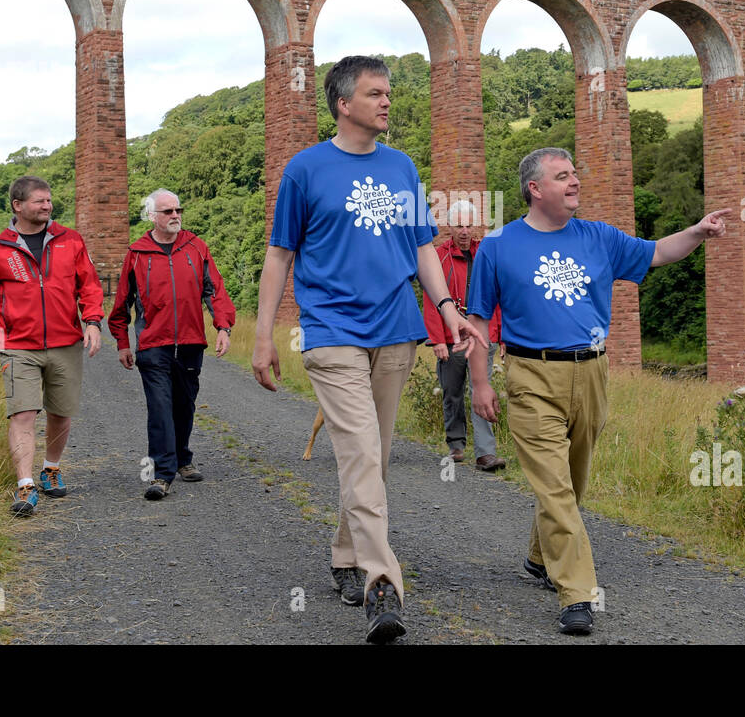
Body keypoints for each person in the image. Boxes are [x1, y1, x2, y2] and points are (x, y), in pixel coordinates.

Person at [252, 54, 479, 645]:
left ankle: (345, 554)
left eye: (389, 92)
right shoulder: (305, 170)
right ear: (343, 103)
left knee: (372, 460)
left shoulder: (403, 168)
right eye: (375, 93)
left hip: (398, 329)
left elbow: (424, 247)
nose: (387, 101)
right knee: (358, 455)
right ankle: (383, 583)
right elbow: (280, 255)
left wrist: (448, 310)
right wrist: (261, 336)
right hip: (331, 333)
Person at [466, 147, 729, 635]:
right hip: (531, 375)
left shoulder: (598, 237)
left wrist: (697, 232)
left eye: (575, 175)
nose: (574, 182)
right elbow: (479, 319)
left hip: (591, 374)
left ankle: (537, 556)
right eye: (562, 176)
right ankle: (577, 594)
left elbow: (655, 252)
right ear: (535, 189)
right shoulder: (499, 245)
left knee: (571, 481)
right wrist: (480, 384)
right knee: (556, 487)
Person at [0, 176, 104, 517]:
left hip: (65, 343)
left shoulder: (70, 240)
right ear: (18, 205)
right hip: (18, 346)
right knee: (23, 414)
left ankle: (51, 469)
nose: (47, 206)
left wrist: (92, 321)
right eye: (39, 201)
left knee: (61, 412)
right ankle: (25, 485)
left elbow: (88, 285)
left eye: (49, 200)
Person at [108, 189, 236, 500]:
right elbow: (122, 302)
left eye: (178, 209)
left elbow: (214, 290)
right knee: (160, 408)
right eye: (167, 211)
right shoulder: (137, 254)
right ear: (151, 216)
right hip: (153, 344)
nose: (175, 215)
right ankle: (161, 475)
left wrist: (223, 326)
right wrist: (123, 342)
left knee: (184, 405)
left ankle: (182, 458)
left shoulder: (196, 247)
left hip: (191, 342)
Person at [423, 198, 505, 471]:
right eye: (459, 225)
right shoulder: (439, 256)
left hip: (482, 335)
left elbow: (499, 297)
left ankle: (485, 453)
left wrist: (502, 336)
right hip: (452, 337)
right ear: (450, 226)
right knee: (453, 392)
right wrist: (437, 339)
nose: (465, 231)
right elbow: (432, 298)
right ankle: (456, 443)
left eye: (469, 225)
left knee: (481, 390)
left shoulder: (486, 254)